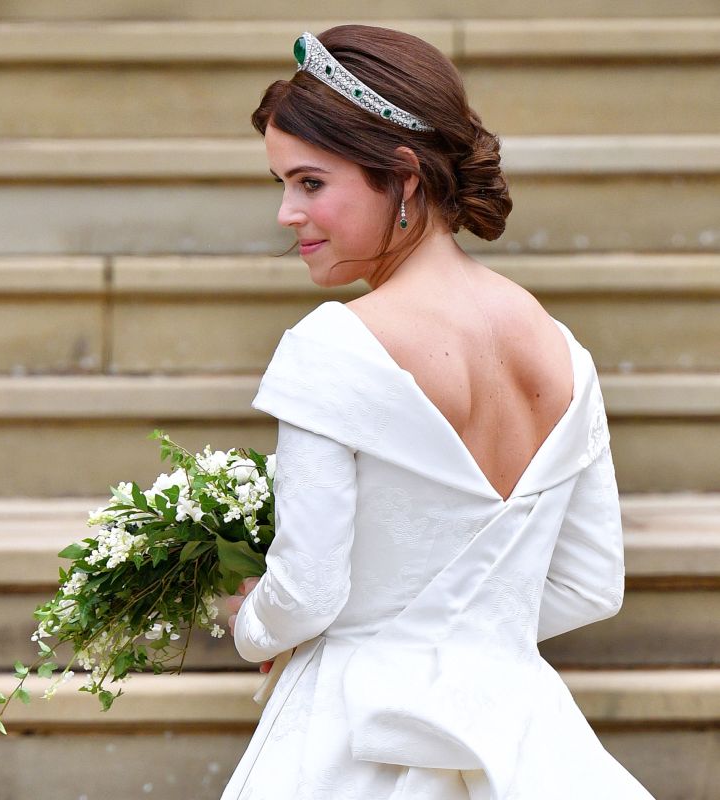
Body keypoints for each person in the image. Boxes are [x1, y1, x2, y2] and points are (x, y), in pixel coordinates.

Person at [220, 25, 655, 800]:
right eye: (282, 184)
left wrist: (249, 624)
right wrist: (467, 641)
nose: (288, 213)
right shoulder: (564, 353)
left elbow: (309, 591)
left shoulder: (335, 345)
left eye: (311, 183)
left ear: (406, 177)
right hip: (520, 733)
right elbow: (593, 584)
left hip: (354, 736)